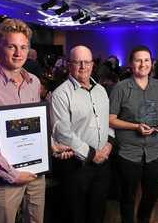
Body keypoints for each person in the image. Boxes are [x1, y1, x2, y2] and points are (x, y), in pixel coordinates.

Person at [0, 19, 48, 223]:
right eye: (11, 46)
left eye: (23, 47)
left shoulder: (34, 82)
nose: (18, 53)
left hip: (36, 174)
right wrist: (12, 174)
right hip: (4, 179)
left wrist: (51, 146)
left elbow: (33, 129)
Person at [51, 45, 112, 223]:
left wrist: (109, 143)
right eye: (78, 62)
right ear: (69, 65)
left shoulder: (101, 90)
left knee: (98, 212)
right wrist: (93, 154)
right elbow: (63, 133)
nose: (83, 67)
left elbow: (106, 121)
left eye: (87, 62)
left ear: (93, 65)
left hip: (103, 164)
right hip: (77, 167)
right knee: (76, 214)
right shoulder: (61, 94)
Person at [109, 45, 158, 223]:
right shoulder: (120, 87)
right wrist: (135, 127)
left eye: (146, 60)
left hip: (155, 153)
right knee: (127, 197)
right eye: (138, 60)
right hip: (128, 153)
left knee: (151, 196)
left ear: (152, 63)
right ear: (131, 64)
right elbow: (110, 120)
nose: (143, 64)